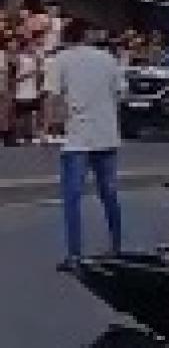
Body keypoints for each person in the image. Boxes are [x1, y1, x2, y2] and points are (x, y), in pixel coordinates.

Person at [45, 18, 124, 267]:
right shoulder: (108, 59)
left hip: (77, 136)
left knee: (72, 196)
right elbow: (120, 92)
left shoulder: (60, 60)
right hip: (106, 133)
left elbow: (53, 97)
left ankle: (75, 253)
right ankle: (116, 245)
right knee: (109, 193)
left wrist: (49, 127)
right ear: (87, 35)